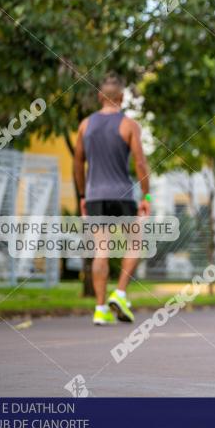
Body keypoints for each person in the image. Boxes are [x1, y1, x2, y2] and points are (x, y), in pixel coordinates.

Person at [73, 72, 151, 326]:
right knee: (135, 243)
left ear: (99, 97)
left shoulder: (85, 125)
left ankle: (99, 309)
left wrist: (83, 194)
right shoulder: (129, 125)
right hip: (123, 195)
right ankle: (119, 293)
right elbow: (140, 162)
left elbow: (77, 162)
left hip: (95, 196)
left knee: (101, 250)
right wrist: (146, 195)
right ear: (122, 97)